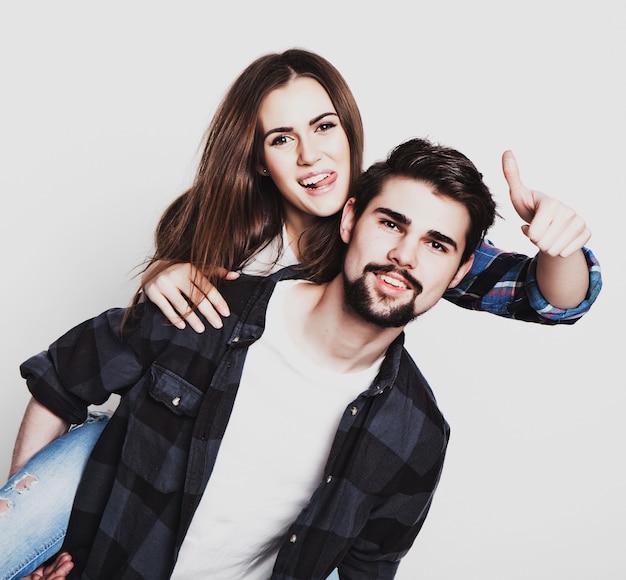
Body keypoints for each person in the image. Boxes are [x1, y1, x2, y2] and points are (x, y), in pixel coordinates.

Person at [2, 49, 601, 578]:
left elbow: (545, 297)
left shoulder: (390, 228)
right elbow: (98, 360)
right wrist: (166, 274)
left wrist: (561, 245)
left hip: (274, 501)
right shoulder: (215, 231)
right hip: (143, 453)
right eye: (282, 138)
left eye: (324, 126)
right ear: (259, 158)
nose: (312, 155)